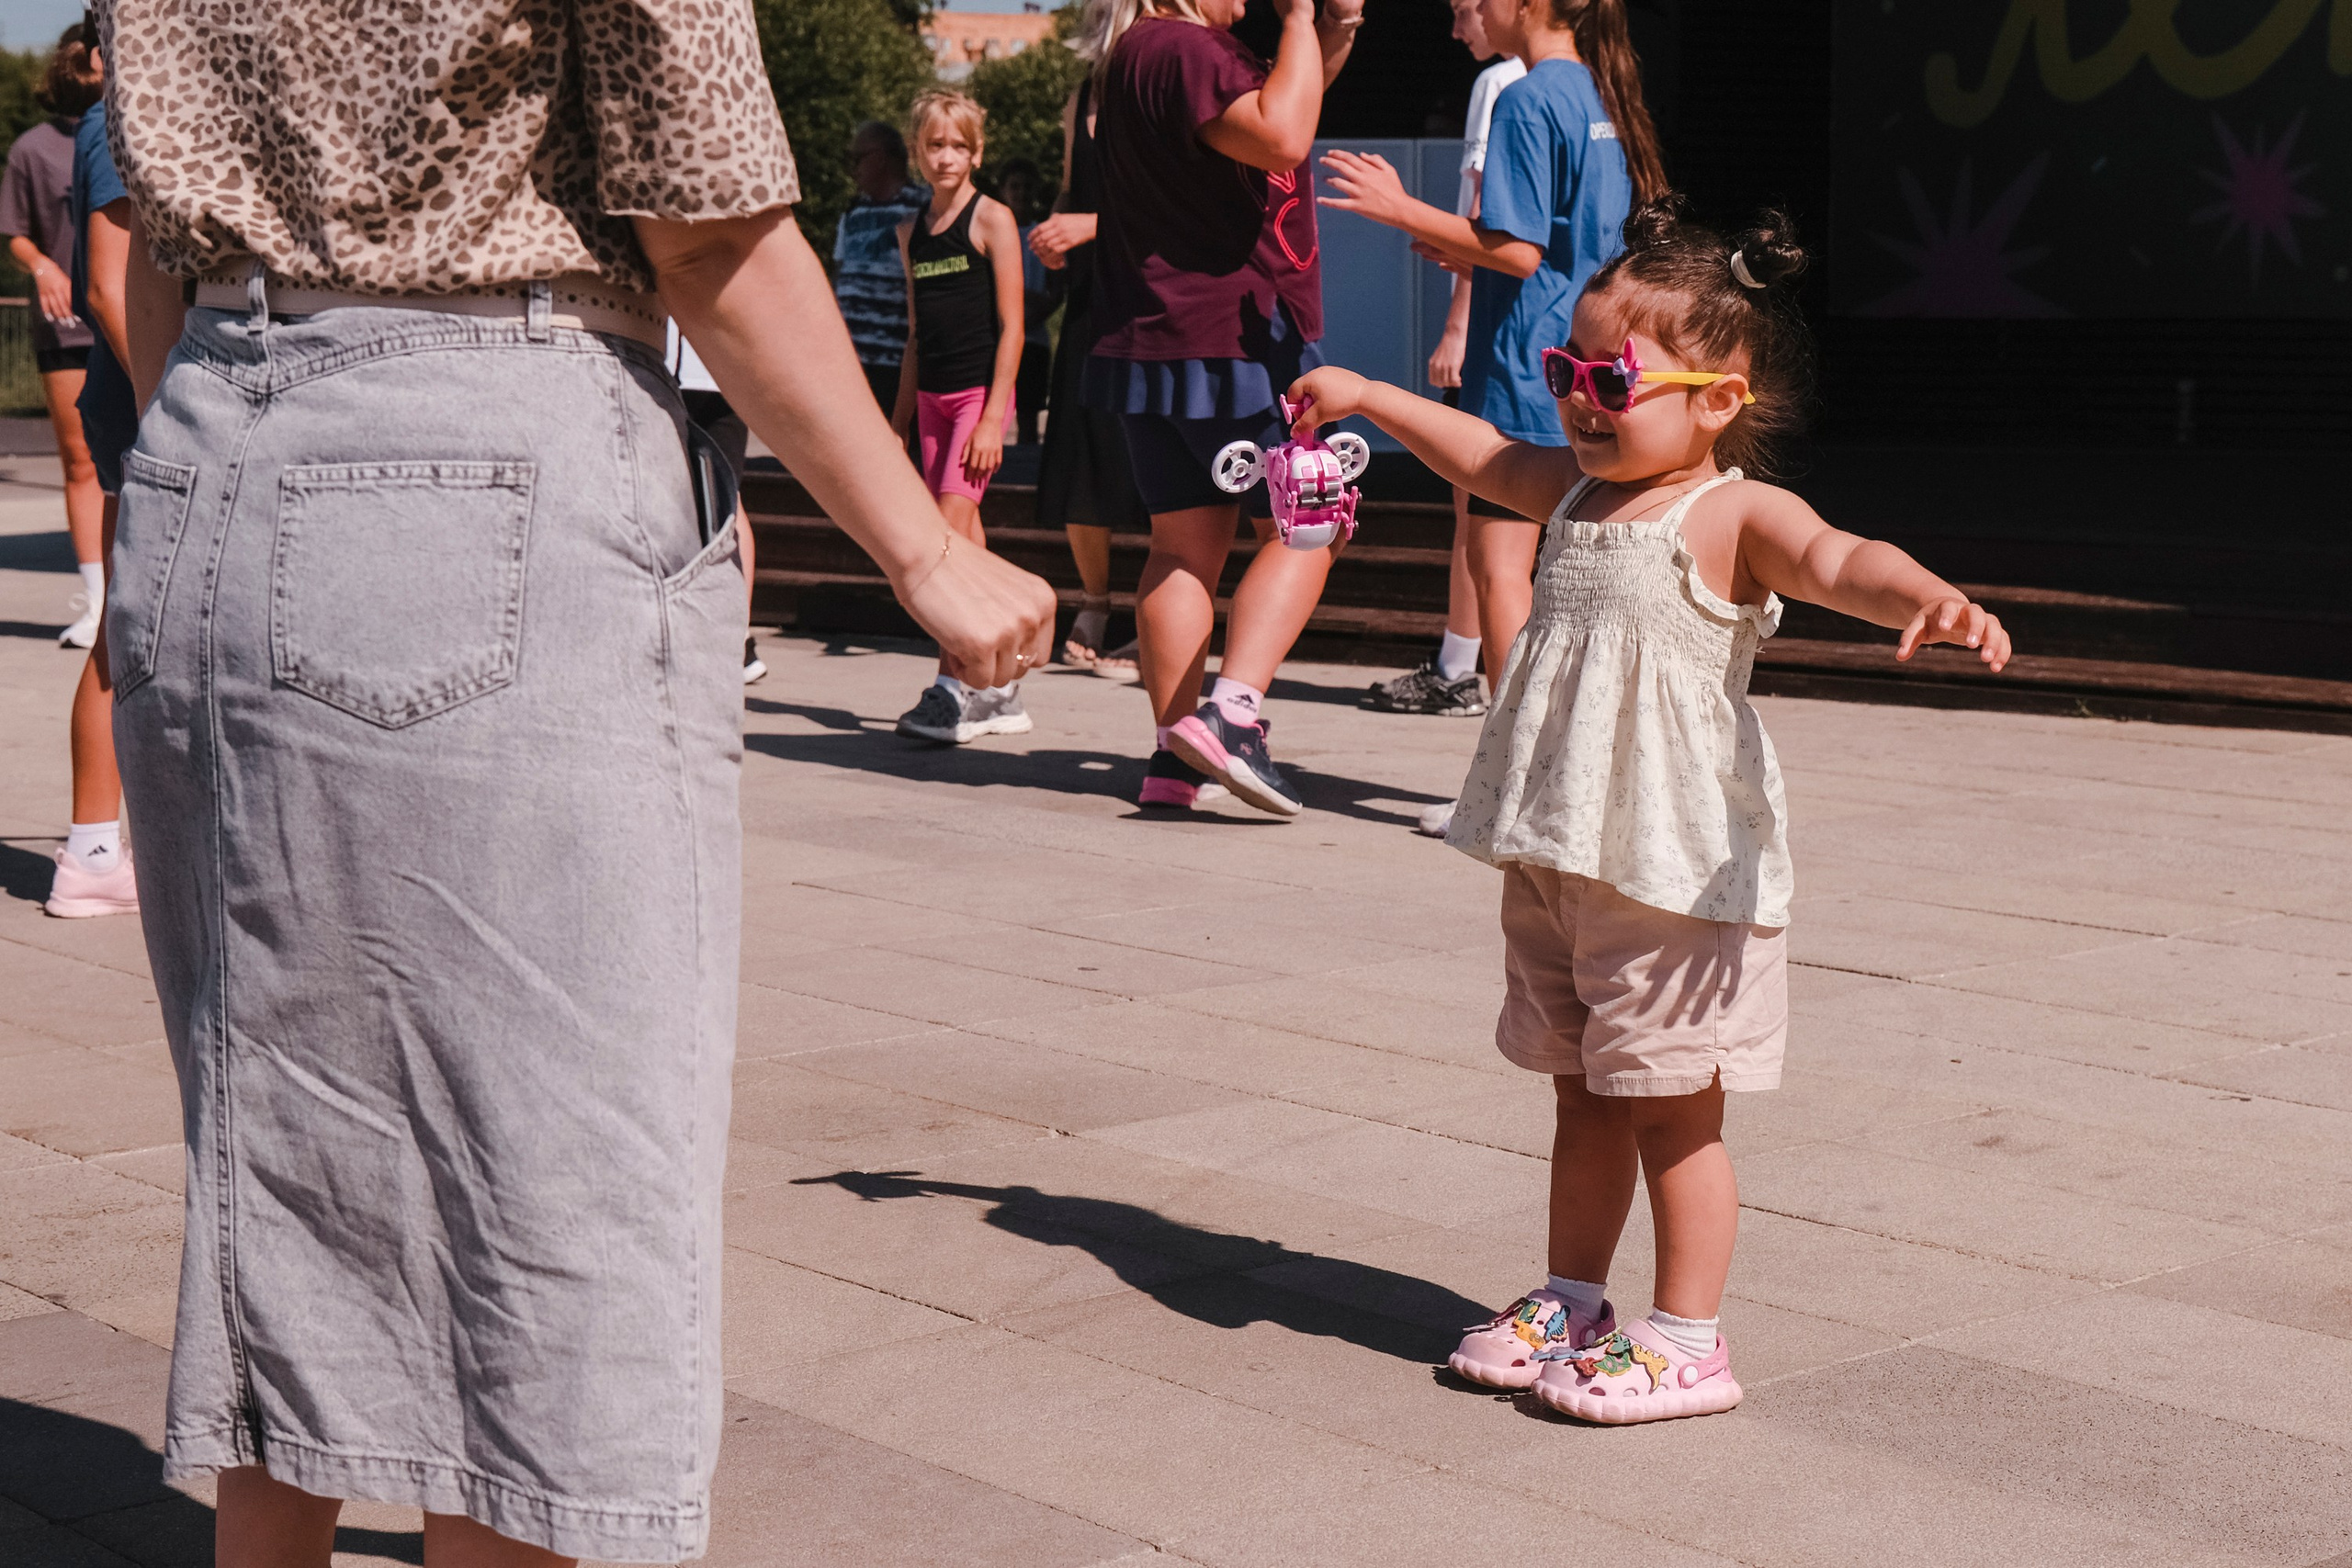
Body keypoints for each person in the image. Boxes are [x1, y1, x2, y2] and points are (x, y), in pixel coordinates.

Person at [98, 3, 1054, 1564]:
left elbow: (154, 233)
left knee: (288, 1168)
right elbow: (709, 239)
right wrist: (926, 546)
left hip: (207, 447)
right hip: (477, 448)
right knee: (540, 1208)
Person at [1287, 200, 2012, 1424]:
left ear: (1717, 397)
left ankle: (1690, 1335)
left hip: (1674, 870)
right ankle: (1574, 1295)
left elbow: (1839, 553)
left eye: (1608, 375)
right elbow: (1475, 453)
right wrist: (1367, 391)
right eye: (1568, 369)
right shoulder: (1570, 490)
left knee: (1674, 1107)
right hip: (1566, 855)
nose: (1576, 396)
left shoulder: (1725, 514)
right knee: (1582, 1088)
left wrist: (1923, 594)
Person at [1319, 0, 1664, 834]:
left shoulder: (1525, 94)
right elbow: (1558, 243)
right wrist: (1462, 242)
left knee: (1499, 570)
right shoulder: (1602, 90)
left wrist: (1400, 207)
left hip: (1524, 358)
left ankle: (1516, 785)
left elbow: (1517, 251)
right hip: (1582, 350)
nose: (1459, 15)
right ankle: (1547, 781)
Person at [1085, 0, 1364, 815]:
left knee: (1182, 545)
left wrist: (1327, 35)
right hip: (1231, 335)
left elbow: (1278, 113)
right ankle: (1233, 717)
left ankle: (1178, 757)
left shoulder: (1146, 49)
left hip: (1161, 336)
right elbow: (1284, 136)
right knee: (1316, 516)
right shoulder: (1185, 48)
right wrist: (1302, 17)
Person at [1362, 0, 1521, 721]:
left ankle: (1472, 672)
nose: (1458, 30)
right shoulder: (1588, 82)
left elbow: (1489, 218)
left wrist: (1458, 323)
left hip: (1507, 324)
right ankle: (1468, 663)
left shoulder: (1505, 84)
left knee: (1483, 501)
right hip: (1552, 323)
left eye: (1465, 10)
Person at [889, 90, 1033, 746]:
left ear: (977, 151)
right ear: (918, 151)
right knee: (967, 549)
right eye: (933, 145)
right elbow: (916, 337)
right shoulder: (909, 231)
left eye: (957, 146)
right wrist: (895, 427)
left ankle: (953, 685)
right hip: (930, 406)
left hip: (976, 401)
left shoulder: (992, 219)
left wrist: (992, 417)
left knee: (941, 547)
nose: (945, 157)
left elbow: (1013, 328)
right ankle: (1002, 684)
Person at [42, 53, 140, 919]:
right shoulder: (124, 118)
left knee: (133, 631)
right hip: (149, 404)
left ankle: (99, 846)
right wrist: (171, 401)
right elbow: (108, 287)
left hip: (149, 399)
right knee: (126, 633)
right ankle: (93, 847)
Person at [1031, 6, 1152, 683]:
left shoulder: (1162, 84)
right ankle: (1096, 603)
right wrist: (1055, 232)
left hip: (1152, 295)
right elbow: (1072, 190)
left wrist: (1086, 227)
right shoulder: (1083, 95)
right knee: (1079, 456)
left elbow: (1174, 209)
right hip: (1090, 299)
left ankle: (1148, 614)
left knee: (1148, 459)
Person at [0, 25, 104, 649]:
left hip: (129, 316)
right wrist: (41, 265)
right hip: (64, 324)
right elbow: (16, 232)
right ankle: (95, 602)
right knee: (80, 459)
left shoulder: (137, 131)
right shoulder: (32, 149)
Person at [664, 321, 765, 682]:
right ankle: (736, 637)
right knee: (726, 501)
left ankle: (736, 637)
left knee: (723, 502)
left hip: (686, 374)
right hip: (720, 372)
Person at [833, 120, 929, 412]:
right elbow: (839, 273)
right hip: (854, 362)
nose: (854, 169)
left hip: (899, 360)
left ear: (880, 156)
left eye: (857, 158)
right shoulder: (854, 212)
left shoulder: (924, 207)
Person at [993, 156, 1057, 447]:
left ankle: (1027, 480)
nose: (1020, 193)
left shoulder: (1044, 235)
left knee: (1029, 415)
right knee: (993, 412)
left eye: (1026, 187)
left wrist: (1025, 310)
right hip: (997, 338)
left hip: (1033, 340)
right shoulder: (992, 235)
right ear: (1004, 191)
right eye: (1014, 187)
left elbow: (1055, 293)